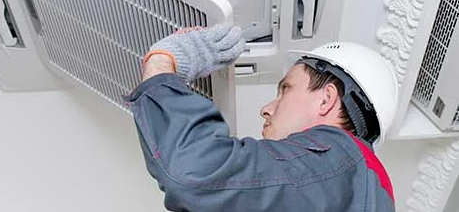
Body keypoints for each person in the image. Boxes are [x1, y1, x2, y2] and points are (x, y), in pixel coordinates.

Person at [126, 24, 399, 212]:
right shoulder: (358, 188)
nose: (266, 109)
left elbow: (193, 170)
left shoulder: (341, 161)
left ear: (326, 99)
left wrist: (162, 63)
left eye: (286, 89)